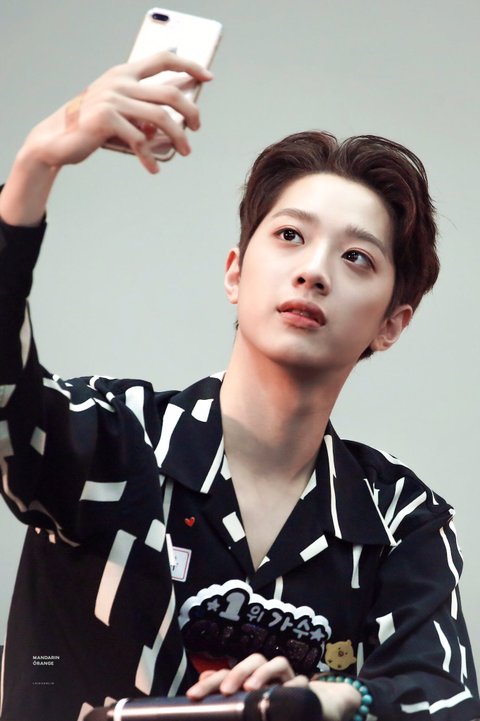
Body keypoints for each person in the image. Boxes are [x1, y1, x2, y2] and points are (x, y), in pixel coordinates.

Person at [0, 52, 478, 721]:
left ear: (392, 323)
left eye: (356, 257)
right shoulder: (117, 436)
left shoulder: (399, 518)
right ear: (235, 271)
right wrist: (34, 167)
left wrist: (329, 697)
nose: (314, 271)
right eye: (289, 235)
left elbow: (445, 697)